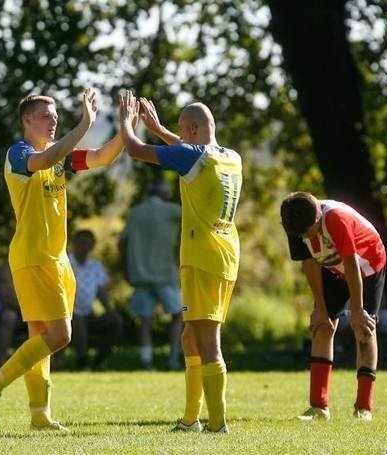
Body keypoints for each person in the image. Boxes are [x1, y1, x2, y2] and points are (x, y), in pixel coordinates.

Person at [0, 88, 127, 432]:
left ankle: (40, 415)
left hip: (57, 259)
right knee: (60, 336)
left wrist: (126, 129)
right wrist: (85, 123)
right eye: (46, 116)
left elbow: (102, 157)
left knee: (40, 337)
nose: (53, 121)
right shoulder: (20, 153)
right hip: (33, 257)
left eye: (56, 116)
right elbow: (42, 160)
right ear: (26, 120)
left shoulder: (59, 157)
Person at [119, 90, 242, 433]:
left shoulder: (192, 155)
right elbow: (189, 151)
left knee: (207, 342)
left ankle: (217, 423)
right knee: (190, 337)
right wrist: (160, 130)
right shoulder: (231, 156)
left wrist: (127, 123)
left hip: (201, 257)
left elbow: (134, 149)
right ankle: (191, 419)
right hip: (226, 253)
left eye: (180, 130)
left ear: (188, 129)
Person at [280, 191, 386, 421]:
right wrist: (320, 308)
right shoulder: (294, 222)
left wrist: (357, 311)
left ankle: (363, 408)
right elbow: (309, 264)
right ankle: (319, 407)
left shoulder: (336, 219)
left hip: (366, 265)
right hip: (331, 266)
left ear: (318, 216)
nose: (308, 237)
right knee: (322, 326)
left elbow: (351, 265)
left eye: (311, 231)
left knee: (364, 329)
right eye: (304, 234)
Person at [119, 181, 183, 370]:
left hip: (140, 273)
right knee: (178, 315)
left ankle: (146, 362)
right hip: (165, 273)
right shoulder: (173, 209)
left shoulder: (136, 212)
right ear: (164, 193)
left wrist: (126, 269)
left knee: (145, 321)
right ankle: (173, 358)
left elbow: (122, 242)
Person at [66, 229, 122, 371]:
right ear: (74, 244)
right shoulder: (65, 263)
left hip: (89, 313)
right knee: (77, 319)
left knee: (115, 320)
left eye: (88, 243)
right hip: (67, 314)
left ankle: (100, 361)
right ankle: (83, 361)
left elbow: (100, 292)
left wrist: (108, 310)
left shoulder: (96, 266)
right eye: (81, 243)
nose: (84, 246)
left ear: (92, 246)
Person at [0, 262, 27, 366]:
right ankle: (2, 365)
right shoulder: (6, 270)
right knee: (9, 316)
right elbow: (7, 301)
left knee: (48, 317)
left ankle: (51, 366)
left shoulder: (35, 268)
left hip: (25, 316)